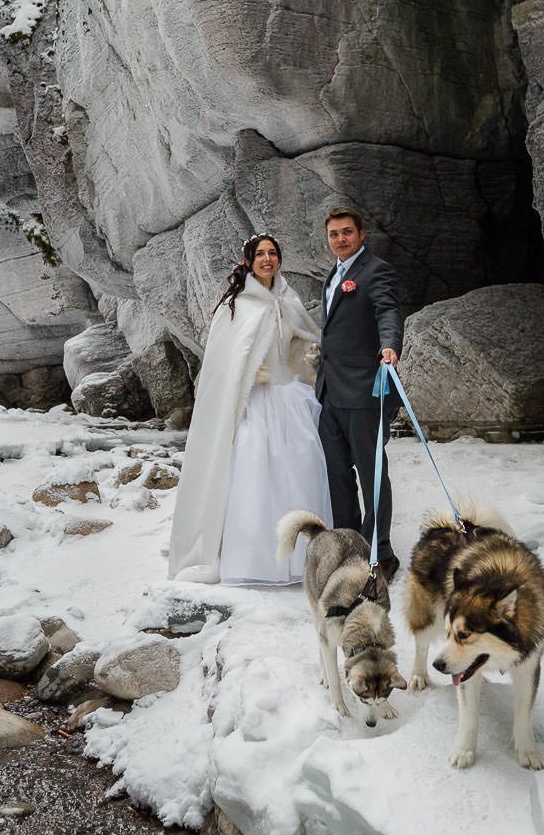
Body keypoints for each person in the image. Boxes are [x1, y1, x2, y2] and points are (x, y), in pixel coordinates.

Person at [167, 234, 331, 586]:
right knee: (253, 478)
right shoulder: (237, 307)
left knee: (298, 474)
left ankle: (300, 561)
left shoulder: (288, 300)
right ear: (248, 261)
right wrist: (246, 377)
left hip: (288, 402)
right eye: (260, 254)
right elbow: (222, 367)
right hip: (253, 405)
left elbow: (304, 341)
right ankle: (252, 560)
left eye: (273, 253)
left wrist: (308, 358)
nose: (267, 259)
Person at [314, 207, 403, 577]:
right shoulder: (333, 275)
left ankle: (381, 554)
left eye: (347, 232)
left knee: (372, 474)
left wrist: (390, 345)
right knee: (337, 475)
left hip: (365, 392)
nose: (340, 239)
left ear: (361, 234)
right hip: (331, 392)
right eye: (334, 234)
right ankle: (349, 547)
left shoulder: (376, 271)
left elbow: (388, 312)